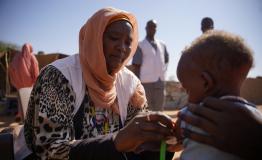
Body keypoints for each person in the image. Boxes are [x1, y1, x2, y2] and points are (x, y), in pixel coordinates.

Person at [14, 7, 175, 160]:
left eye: (128, 42)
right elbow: (50, 151)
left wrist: (166, 143)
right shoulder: (58, 77)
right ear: (94, 38)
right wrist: (116, 142)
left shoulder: (130, 84)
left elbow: (138, 144)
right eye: (114, 38)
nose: (122, 48)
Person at [174, 30, 262, 159]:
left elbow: (176, 133)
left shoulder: (193, 114)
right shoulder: (254, 117)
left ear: (206, 82)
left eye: (187, 90)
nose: (187, 98)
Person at [132, 19, 169, 111]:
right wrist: (137, 85)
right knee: (147, 109)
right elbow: (136, 65)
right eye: (150, 26)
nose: (152, 28)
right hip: (145, 82)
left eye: (154, 27)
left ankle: (159, 126)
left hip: (160, 82)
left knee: (159, 108)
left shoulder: (162, 45)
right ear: (146, 28)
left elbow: (166, 59)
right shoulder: (140, 45)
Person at [8, 43, 39, 121]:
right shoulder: (32, 57)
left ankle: (20, 115)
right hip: (29, 84)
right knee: (30, 101)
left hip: (19, 85)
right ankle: (28, 118)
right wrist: (36, 82)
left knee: (20, 101)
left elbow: (11, 69)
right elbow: (35, 71)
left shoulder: (16, 57)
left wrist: (14, 81)